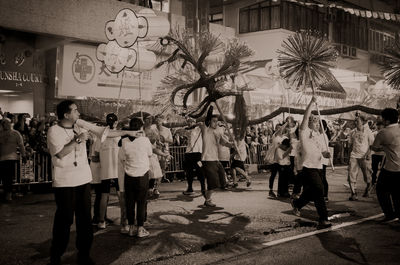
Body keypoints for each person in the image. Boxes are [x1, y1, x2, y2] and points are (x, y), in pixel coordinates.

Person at [47, 100, 138, 265]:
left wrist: (128, 133)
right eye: (75, 111)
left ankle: (84, 255)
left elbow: (106, 133)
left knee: (84, 220)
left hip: (83, 180)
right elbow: (60, 154)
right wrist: (78, 140)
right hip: (64, 183)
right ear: (66, 114)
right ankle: (56, 256)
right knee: (64, 220)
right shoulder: (54, 131)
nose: (78, 114)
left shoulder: (79, 126)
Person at [290, 96, 332, 229]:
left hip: (318, 167)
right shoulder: (304, 133)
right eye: (314, 120)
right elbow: (305, 116)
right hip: (308, 167)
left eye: (318, 121)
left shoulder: (320, 136)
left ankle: (297, 204)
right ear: (308, 123)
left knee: (311, 192)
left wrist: (327, 154)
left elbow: (323, 152)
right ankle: (323, 218)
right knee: (320, 190)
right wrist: (311, 103)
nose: (316, 123)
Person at [118, 117, 152, 237]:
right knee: (142, 202)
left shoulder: (124, 141)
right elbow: (150, 154)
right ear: (141, 128)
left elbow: (121, 158)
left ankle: (131, 227)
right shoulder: (145, 140)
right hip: (142, 175)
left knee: (130, 202)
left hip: (129, 176)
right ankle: (140, 228)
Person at [200, 106, 233, 207]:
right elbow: (207, 118)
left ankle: (206, 194)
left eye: (217, 121)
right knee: (213, 181)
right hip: (207, 159)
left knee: (222, 178)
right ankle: (208, 199)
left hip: (215, 159)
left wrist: (232, 144)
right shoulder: (206, 129)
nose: (216, 123)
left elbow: (224, 142)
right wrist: (210, 107)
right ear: (209, 121)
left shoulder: (218, 132)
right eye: (214, 121)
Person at [371, 108, 400, 223]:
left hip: (391, 168)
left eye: (383, 118)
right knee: (397, 192)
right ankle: (397, 214)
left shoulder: (383, 132)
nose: (381, 120)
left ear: (387, 121)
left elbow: (374, 147)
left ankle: (389, 214)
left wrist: (384, 147)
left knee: (381, 190)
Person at [97, 113, 120, 229]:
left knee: (104, 195)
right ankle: (125, 222)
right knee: (121, 194)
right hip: (117, 170)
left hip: (105, 170)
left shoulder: (100, 135)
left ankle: (101, 221)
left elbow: (96, 154)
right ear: (116, 122)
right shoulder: (119, 135)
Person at [347, 115, 374, 200]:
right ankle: (353, 194)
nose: (355, 122)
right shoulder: (352, 132)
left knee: (367, 176)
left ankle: (368, 187)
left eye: (357, 121)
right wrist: (349, 157)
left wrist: (368, 154)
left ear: (363, 122)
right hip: (354, 156)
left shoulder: (368, 132)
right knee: (351, 175)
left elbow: (371, 145)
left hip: (364, 157)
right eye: (355, 121)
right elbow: (350, 145)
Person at [0, 117, 26, 202]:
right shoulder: (0, 133)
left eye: (8, 123)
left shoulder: (15, 133)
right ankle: (6, 193)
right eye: (4, 123)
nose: (6, 124)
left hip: (11, 158)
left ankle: (9, 194)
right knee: (4, 178)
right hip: (1, 159)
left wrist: (24, 155)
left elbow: (21, 145)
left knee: (8, 177)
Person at [182, 117, 205, 196]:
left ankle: (203, 188)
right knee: (189, 171)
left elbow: (202, 124)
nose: (189, 123)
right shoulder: (187, 130)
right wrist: (191, 126)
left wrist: (196, 124)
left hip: (198, 153)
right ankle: (190, 188)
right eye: (188, 122)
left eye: (191, 121)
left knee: (200, 170)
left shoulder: (199, 129)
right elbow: (183, 132)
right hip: (189, 153)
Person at [371, 120, 385, 186]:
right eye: (378, 125)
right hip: (375, 154)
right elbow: (372, 144)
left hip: (383, 154)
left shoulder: (386, 133)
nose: (379, 126)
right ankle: (373, 180)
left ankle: (381, 181)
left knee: (383, 169)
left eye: (380, 125)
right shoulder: (374, 133)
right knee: (374, 169)